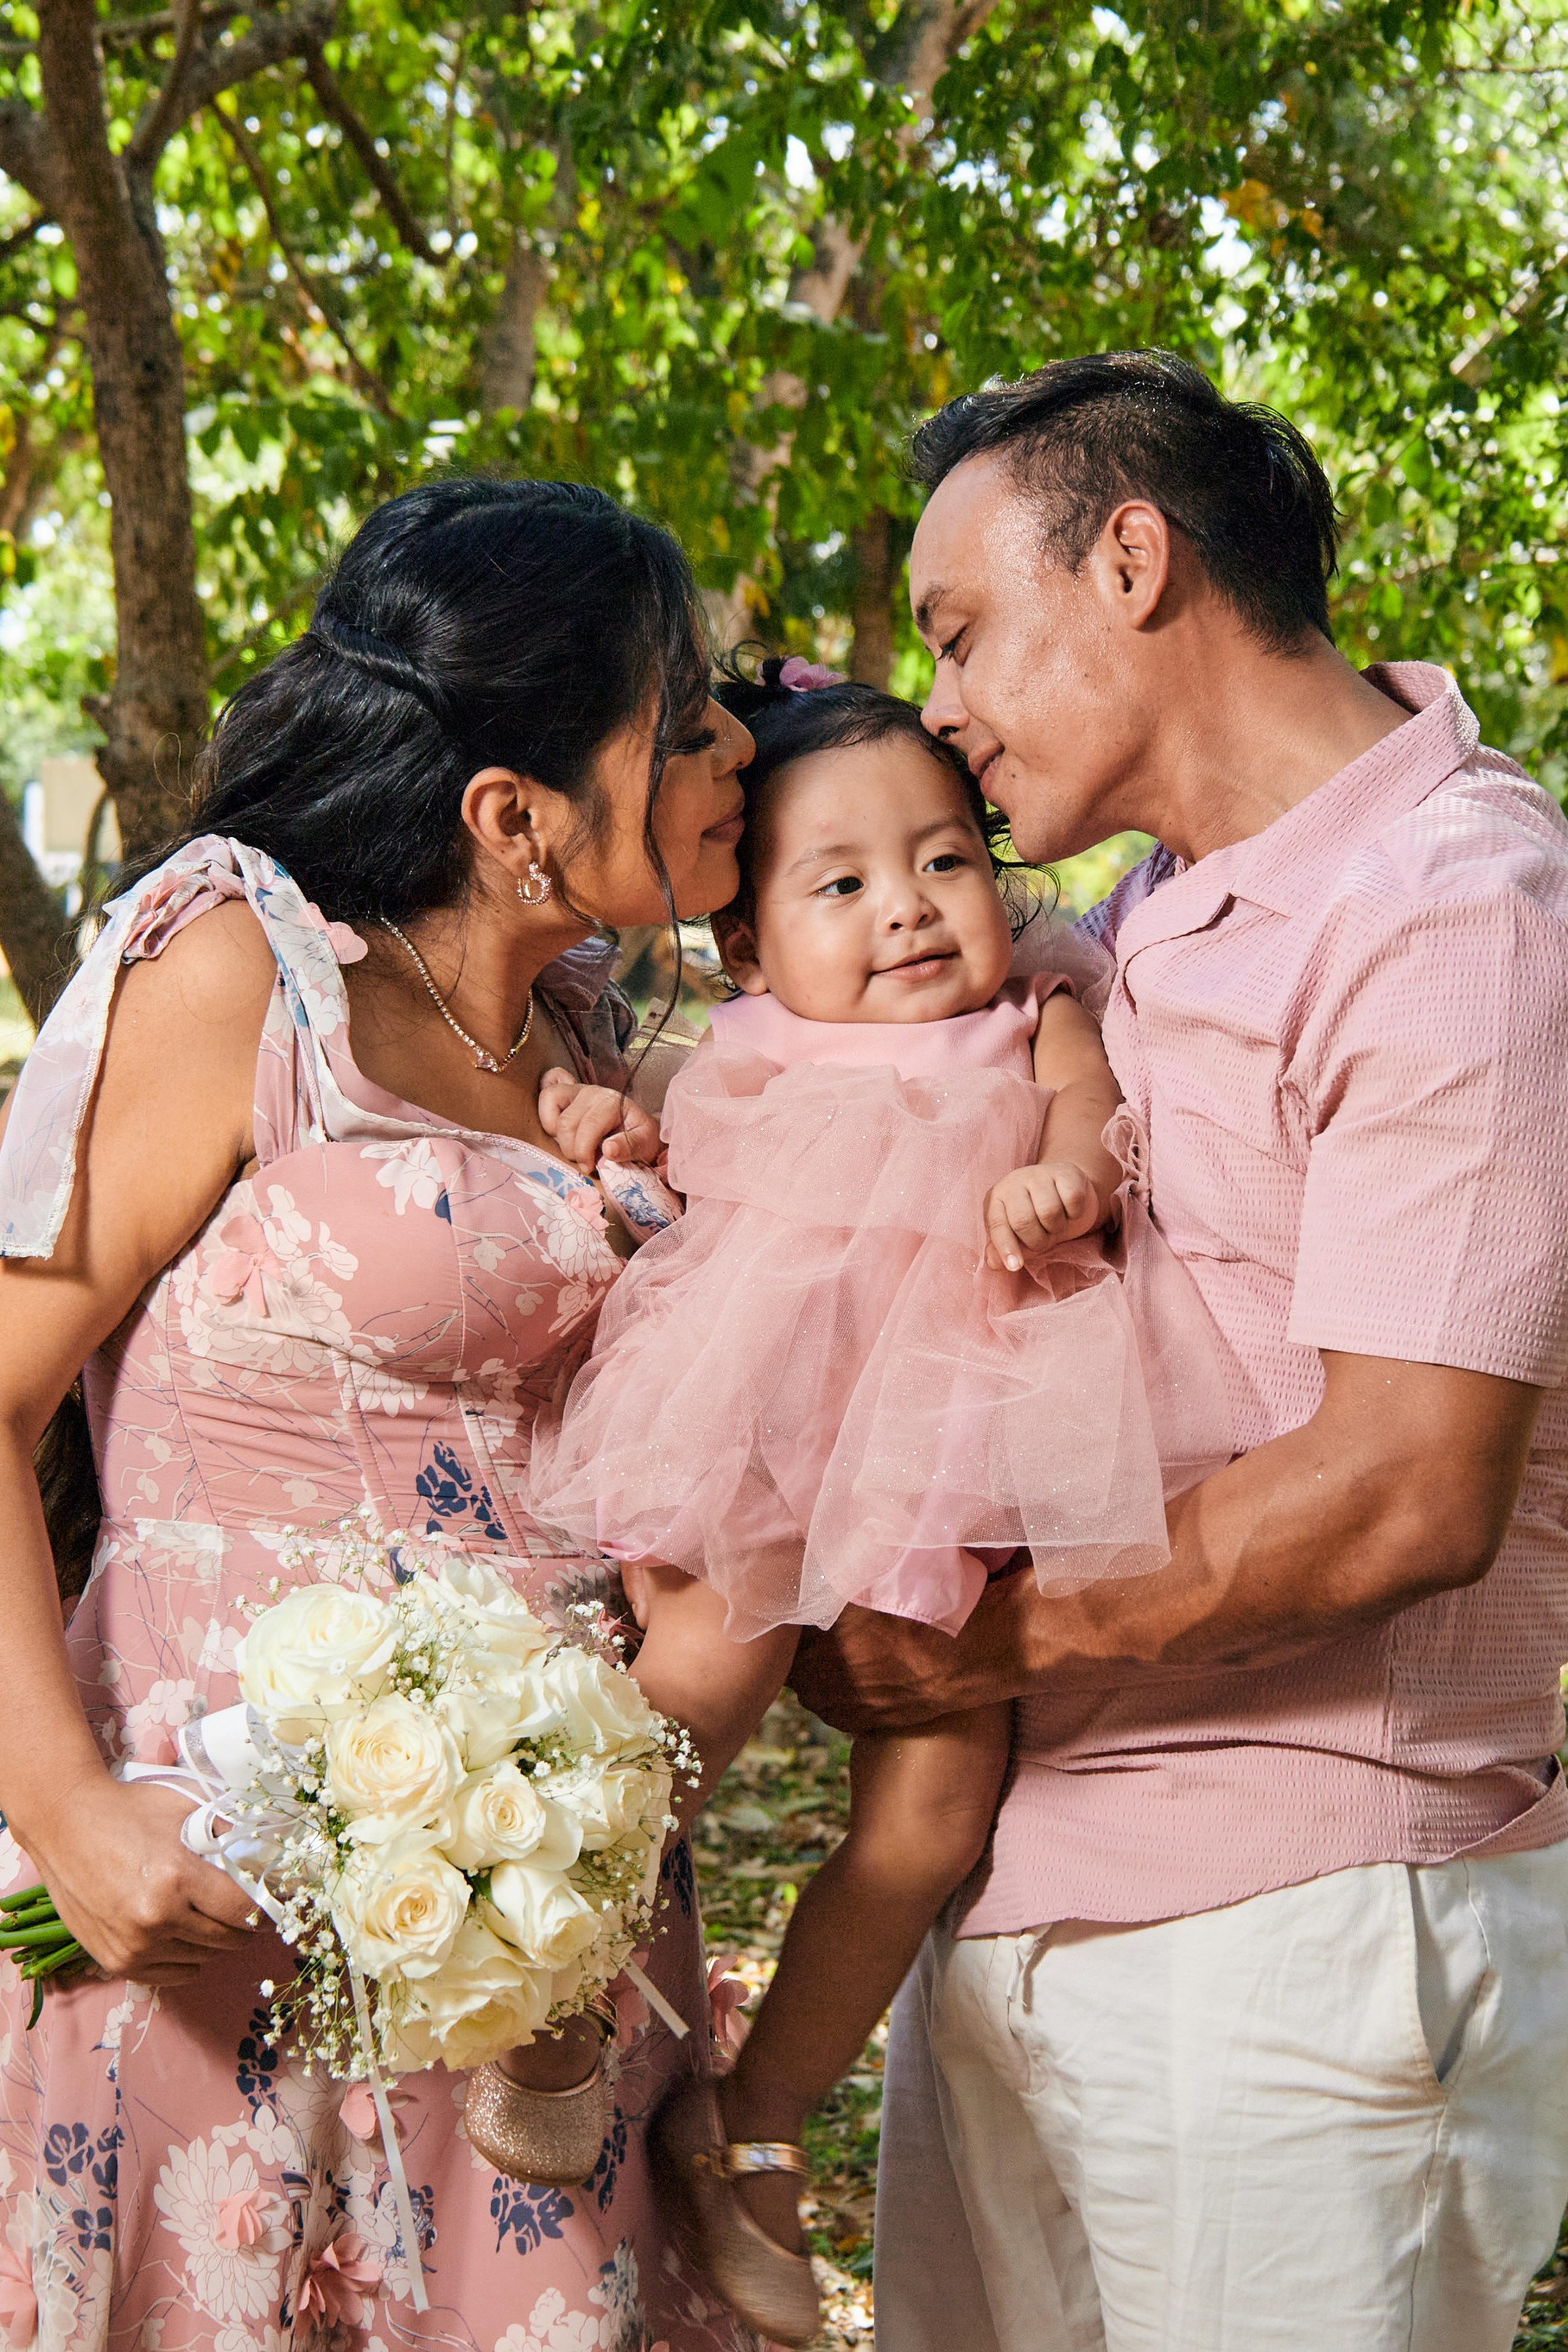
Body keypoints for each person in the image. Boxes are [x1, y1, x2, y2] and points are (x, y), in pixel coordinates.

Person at [781, 350, 1568, 2352]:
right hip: (1024, 1909)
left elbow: (1409, 1483)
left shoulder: (1454, 897)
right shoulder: (1132, 916)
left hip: (1296, 1944)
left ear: (1131, 559)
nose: (940, 705)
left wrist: (980, 1643)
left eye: (959, 632)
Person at [0, 477, 762, 2352]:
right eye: (683, 719)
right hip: (212, 1915)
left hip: (539, 1967)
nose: (740, 745)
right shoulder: (241, 968)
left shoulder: (595, 1044)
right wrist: (69, 1814)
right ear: (512, 815)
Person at [524, 666, 1231, 2346]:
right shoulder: (746, 1045)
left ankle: (750, 2123)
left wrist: (1073, 1162)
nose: (907, 911)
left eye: (944, 863)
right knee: (700, 1677)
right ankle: (551, 1979)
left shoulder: (1045, 1009)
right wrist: (610, 1132)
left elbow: (1091, 1114)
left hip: (968, 1455)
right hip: (766, 1427)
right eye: (840, 884)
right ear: (750, 944)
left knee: (934, 1813)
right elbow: (666, 1163)